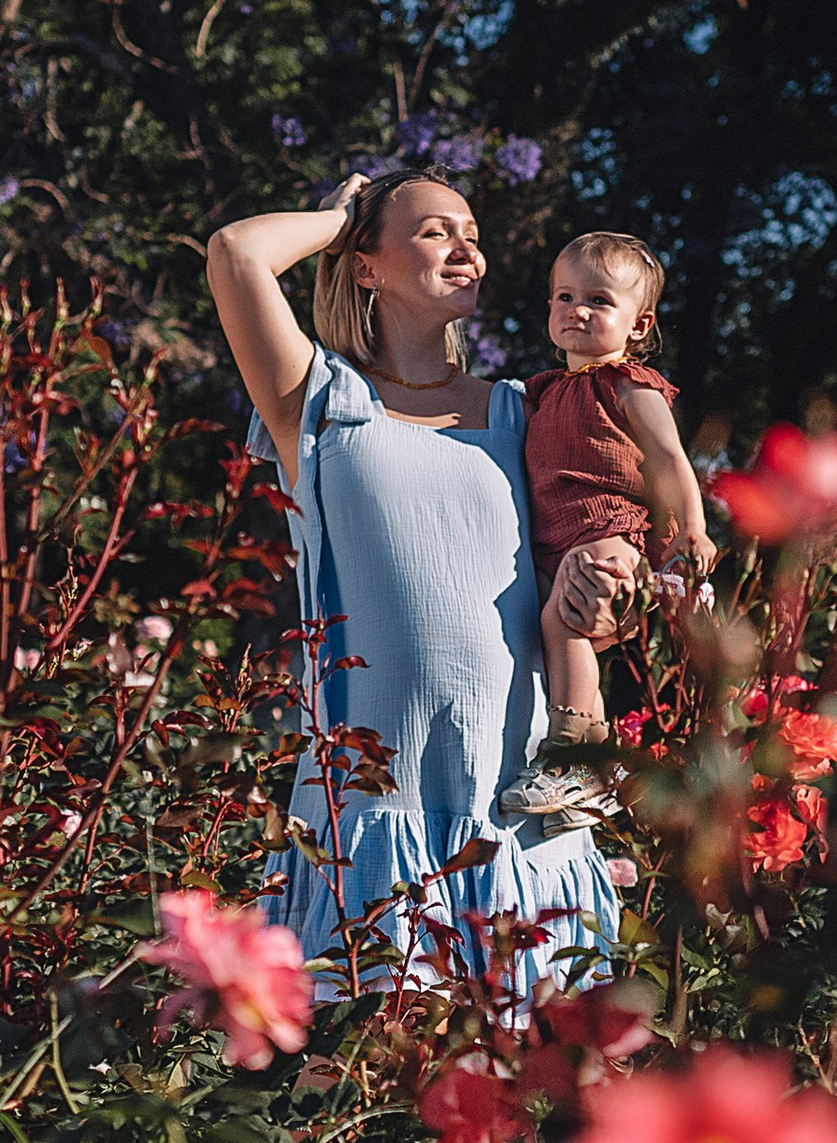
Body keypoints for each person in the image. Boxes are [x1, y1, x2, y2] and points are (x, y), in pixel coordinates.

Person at [205, 169, 616, 988]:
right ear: (366, 265)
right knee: (363, 1090)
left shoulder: (520, 411)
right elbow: (235, 251)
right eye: (434, 231)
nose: (466, 247)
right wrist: (337, 218)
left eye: (471, 232)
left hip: (514, 808)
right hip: (371, 810)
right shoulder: (316, 401)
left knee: (529, 1101)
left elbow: (586, 553)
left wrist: (606, 588)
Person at [506, 231, 713, 823]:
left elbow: (671, 459)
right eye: (564, 296)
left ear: (639, 326)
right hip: (555, 538)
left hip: (608, 527)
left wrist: (692, 529)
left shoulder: (628, 385)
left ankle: (571, 755)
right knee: (567, 639)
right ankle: (596, 778)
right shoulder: (541, 393)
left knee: (564, 622)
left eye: (598, 300)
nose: (578, 310)